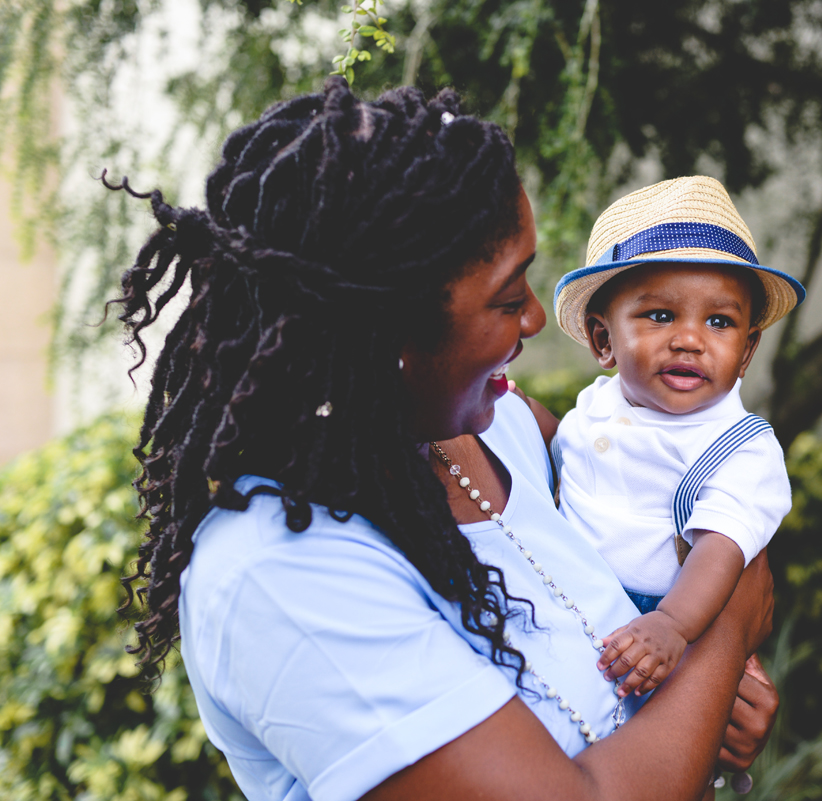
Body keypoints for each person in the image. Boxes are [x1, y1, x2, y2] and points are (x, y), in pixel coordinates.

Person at [109, 77, 778, 801]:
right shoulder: (279, 574)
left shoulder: (503, 435)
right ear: (389, 334)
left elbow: (659, 521)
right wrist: (733, 617)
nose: (531, 319)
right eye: (506, 294)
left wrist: (712, 699)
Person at [531, 177, 803, 700]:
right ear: (603, 339)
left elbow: (720, 549)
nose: (689, 340)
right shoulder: (599, 401)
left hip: (663, 632)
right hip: (565, 614)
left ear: (746, 352)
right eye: (660, 315)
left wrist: (673, 626)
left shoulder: (740, 447)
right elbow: (564, 449)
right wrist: (516, 409)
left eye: (719, 322)